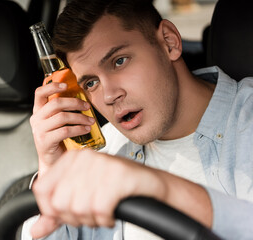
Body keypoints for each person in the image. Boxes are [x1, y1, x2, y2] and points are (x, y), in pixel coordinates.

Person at [22, 0, 253, 239]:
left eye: (119, 61)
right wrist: (51, 170)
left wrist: (161, 187)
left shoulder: (247, 124)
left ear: (169, 42)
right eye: (91, 83)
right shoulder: (102, 153)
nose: (109, 95)